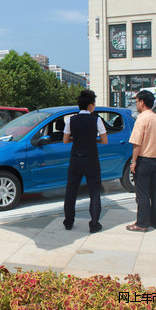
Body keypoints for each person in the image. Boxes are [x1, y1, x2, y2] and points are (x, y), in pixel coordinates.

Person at [63, 89, 108, 233]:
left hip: (76, 159)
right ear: (90, 105)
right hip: (91, 160)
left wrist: (76, 138)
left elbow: (65, 140)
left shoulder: (71, 120)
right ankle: (94, 224)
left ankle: (68, 222)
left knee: (71, 192)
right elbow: (105, 141)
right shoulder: (97, 119)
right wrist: (93, 139)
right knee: (94, 192)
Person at [126, 90, 156, 232]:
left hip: (144, 160)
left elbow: (137, 143)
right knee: (155, 191)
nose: (136, 104)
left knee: (142, 194)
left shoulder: (142, 119)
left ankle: (142, 223)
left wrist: (133, 161)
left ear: (142, 102)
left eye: (136, 101)